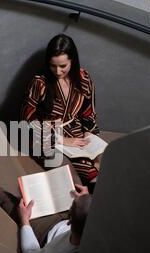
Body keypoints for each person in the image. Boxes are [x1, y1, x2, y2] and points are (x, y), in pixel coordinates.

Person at [20, 34, 101, 192]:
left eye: (63, 66)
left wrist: (92, 138)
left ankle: (96, 205)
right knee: (71, 178)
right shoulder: (39, 83)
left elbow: (88, 114)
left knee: (98, 171)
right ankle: (80, 209)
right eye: (52, 66)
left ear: (73, 61)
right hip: (43, 138)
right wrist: (61, 139)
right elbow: (26, 121)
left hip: (75, 131)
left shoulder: (84, 79)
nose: (57, 71)